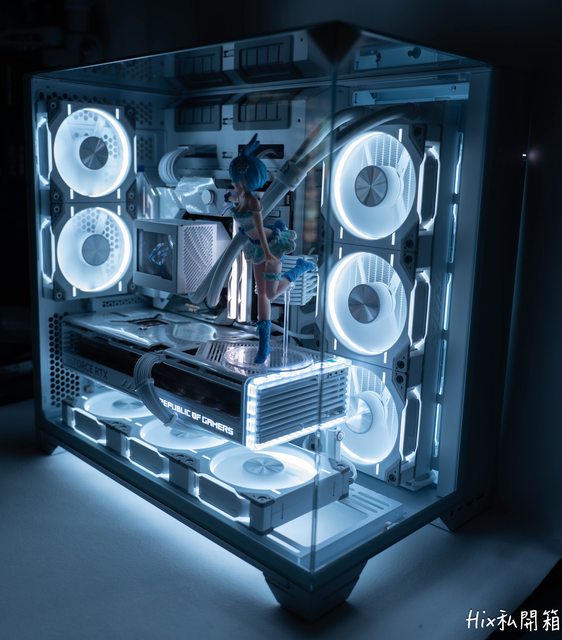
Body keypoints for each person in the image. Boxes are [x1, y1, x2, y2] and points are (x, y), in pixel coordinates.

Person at [226, 134, 316, 364]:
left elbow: (258, 226)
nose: (234, 183)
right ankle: (263, 345)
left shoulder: (253, 201)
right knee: (261, 295)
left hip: (269, 245)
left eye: (237, 179)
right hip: (256, 247)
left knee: (271, 294)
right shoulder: (239, 196)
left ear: (246, 180)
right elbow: (245, 225)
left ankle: (298, 269)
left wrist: (267, 252)